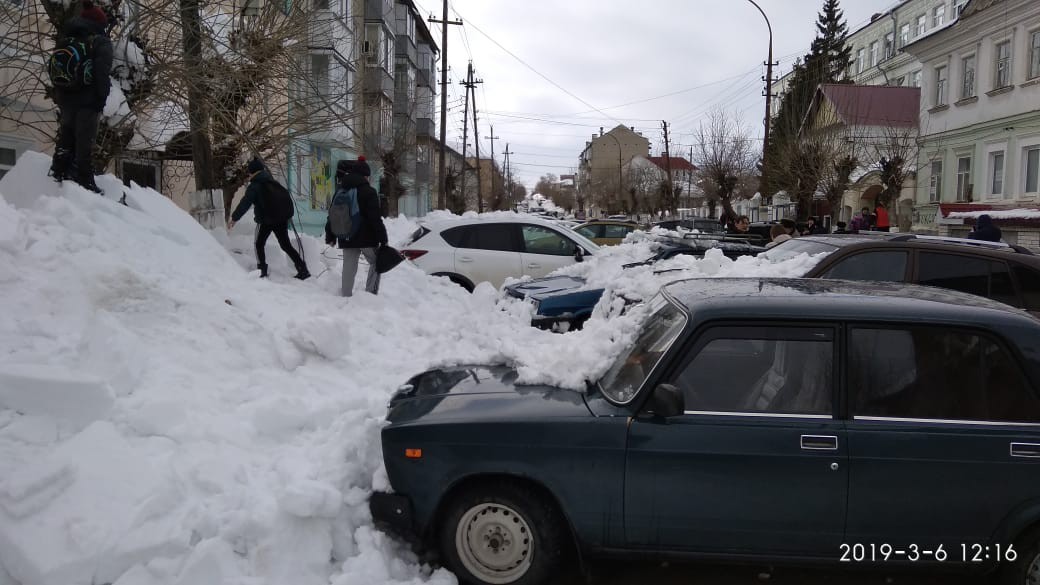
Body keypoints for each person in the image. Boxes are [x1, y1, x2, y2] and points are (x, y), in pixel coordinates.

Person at [48, 0, 114, 193]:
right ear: (101, 24)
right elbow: (102, 73)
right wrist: (101, 98)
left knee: (66, 134)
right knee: (85, 141)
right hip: (88, 100)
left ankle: (58, 171)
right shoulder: (100, 42)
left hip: (66, 97)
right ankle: (85, 182)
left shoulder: (67, 38)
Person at [228, 158, 310, 280]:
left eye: (249, 172)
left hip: (267, 220)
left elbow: (245, 203)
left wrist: (234, 218)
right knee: (285, 245)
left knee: (259, 244)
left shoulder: (255, 186)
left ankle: (262, 270)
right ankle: (303, 269)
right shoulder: (271, 181)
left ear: (253, 172)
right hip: (281, 219)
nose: (249, 175)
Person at [325, 157, 388, 297]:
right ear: (365, 176)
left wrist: (330, 235)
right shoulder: (369, 191)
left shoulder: (341, 189)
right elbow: (375, 218)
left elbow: (332, 214)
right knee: (377, 261)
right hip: (366, 238)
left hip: (346, 235)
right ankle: (370, 295)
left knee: (348, 267)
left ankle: (345, 295)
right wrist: (383, 239)